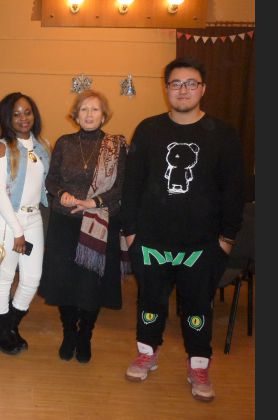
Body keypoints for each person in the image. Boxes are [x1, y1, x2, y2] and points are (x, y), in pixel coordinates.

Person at [121, 57, 244, 402]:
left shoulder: (223, 134)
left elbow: (235, 191)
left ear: (203, 89)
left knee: (197, 308)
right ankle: (147, 353)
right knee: (150, 303)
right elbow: (132, 185)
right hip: (150, 242)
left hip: (202, 246)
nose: (183, 90)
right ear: (167, 89)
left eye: (191, 83)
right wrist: (131, 234)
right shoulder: (148, 130)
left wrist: (226, 240)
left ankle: (199, 365)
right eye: (176, 83)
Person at [38, 89, 128, 364]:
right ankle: (69, 333)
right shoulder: (64, 143)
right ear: (76, 115)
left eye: (95, 109)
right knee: (65, 283)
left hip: (97, 224)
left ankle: (85, 335)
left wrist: (93, 202)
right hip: (65, 225)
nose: (89, 114)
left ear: (104, 115)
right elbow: (51, 180)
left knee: (91, 285)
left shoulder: (115, 146)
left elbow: (121, 187)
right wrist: (61, 193)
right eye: (84, 109)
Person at [0, 92, 50, 355]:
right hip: (6, 220)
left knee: (32, 278)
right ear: (7, 118)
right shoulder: (2, 147)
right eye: (16, 114)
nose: (24, 118)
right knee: (4, 277)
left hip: (33, 217)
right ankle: (2, 333)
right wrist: (17, 231)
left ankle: (8, 325)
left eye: (28, 112)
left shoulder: (42, 145)